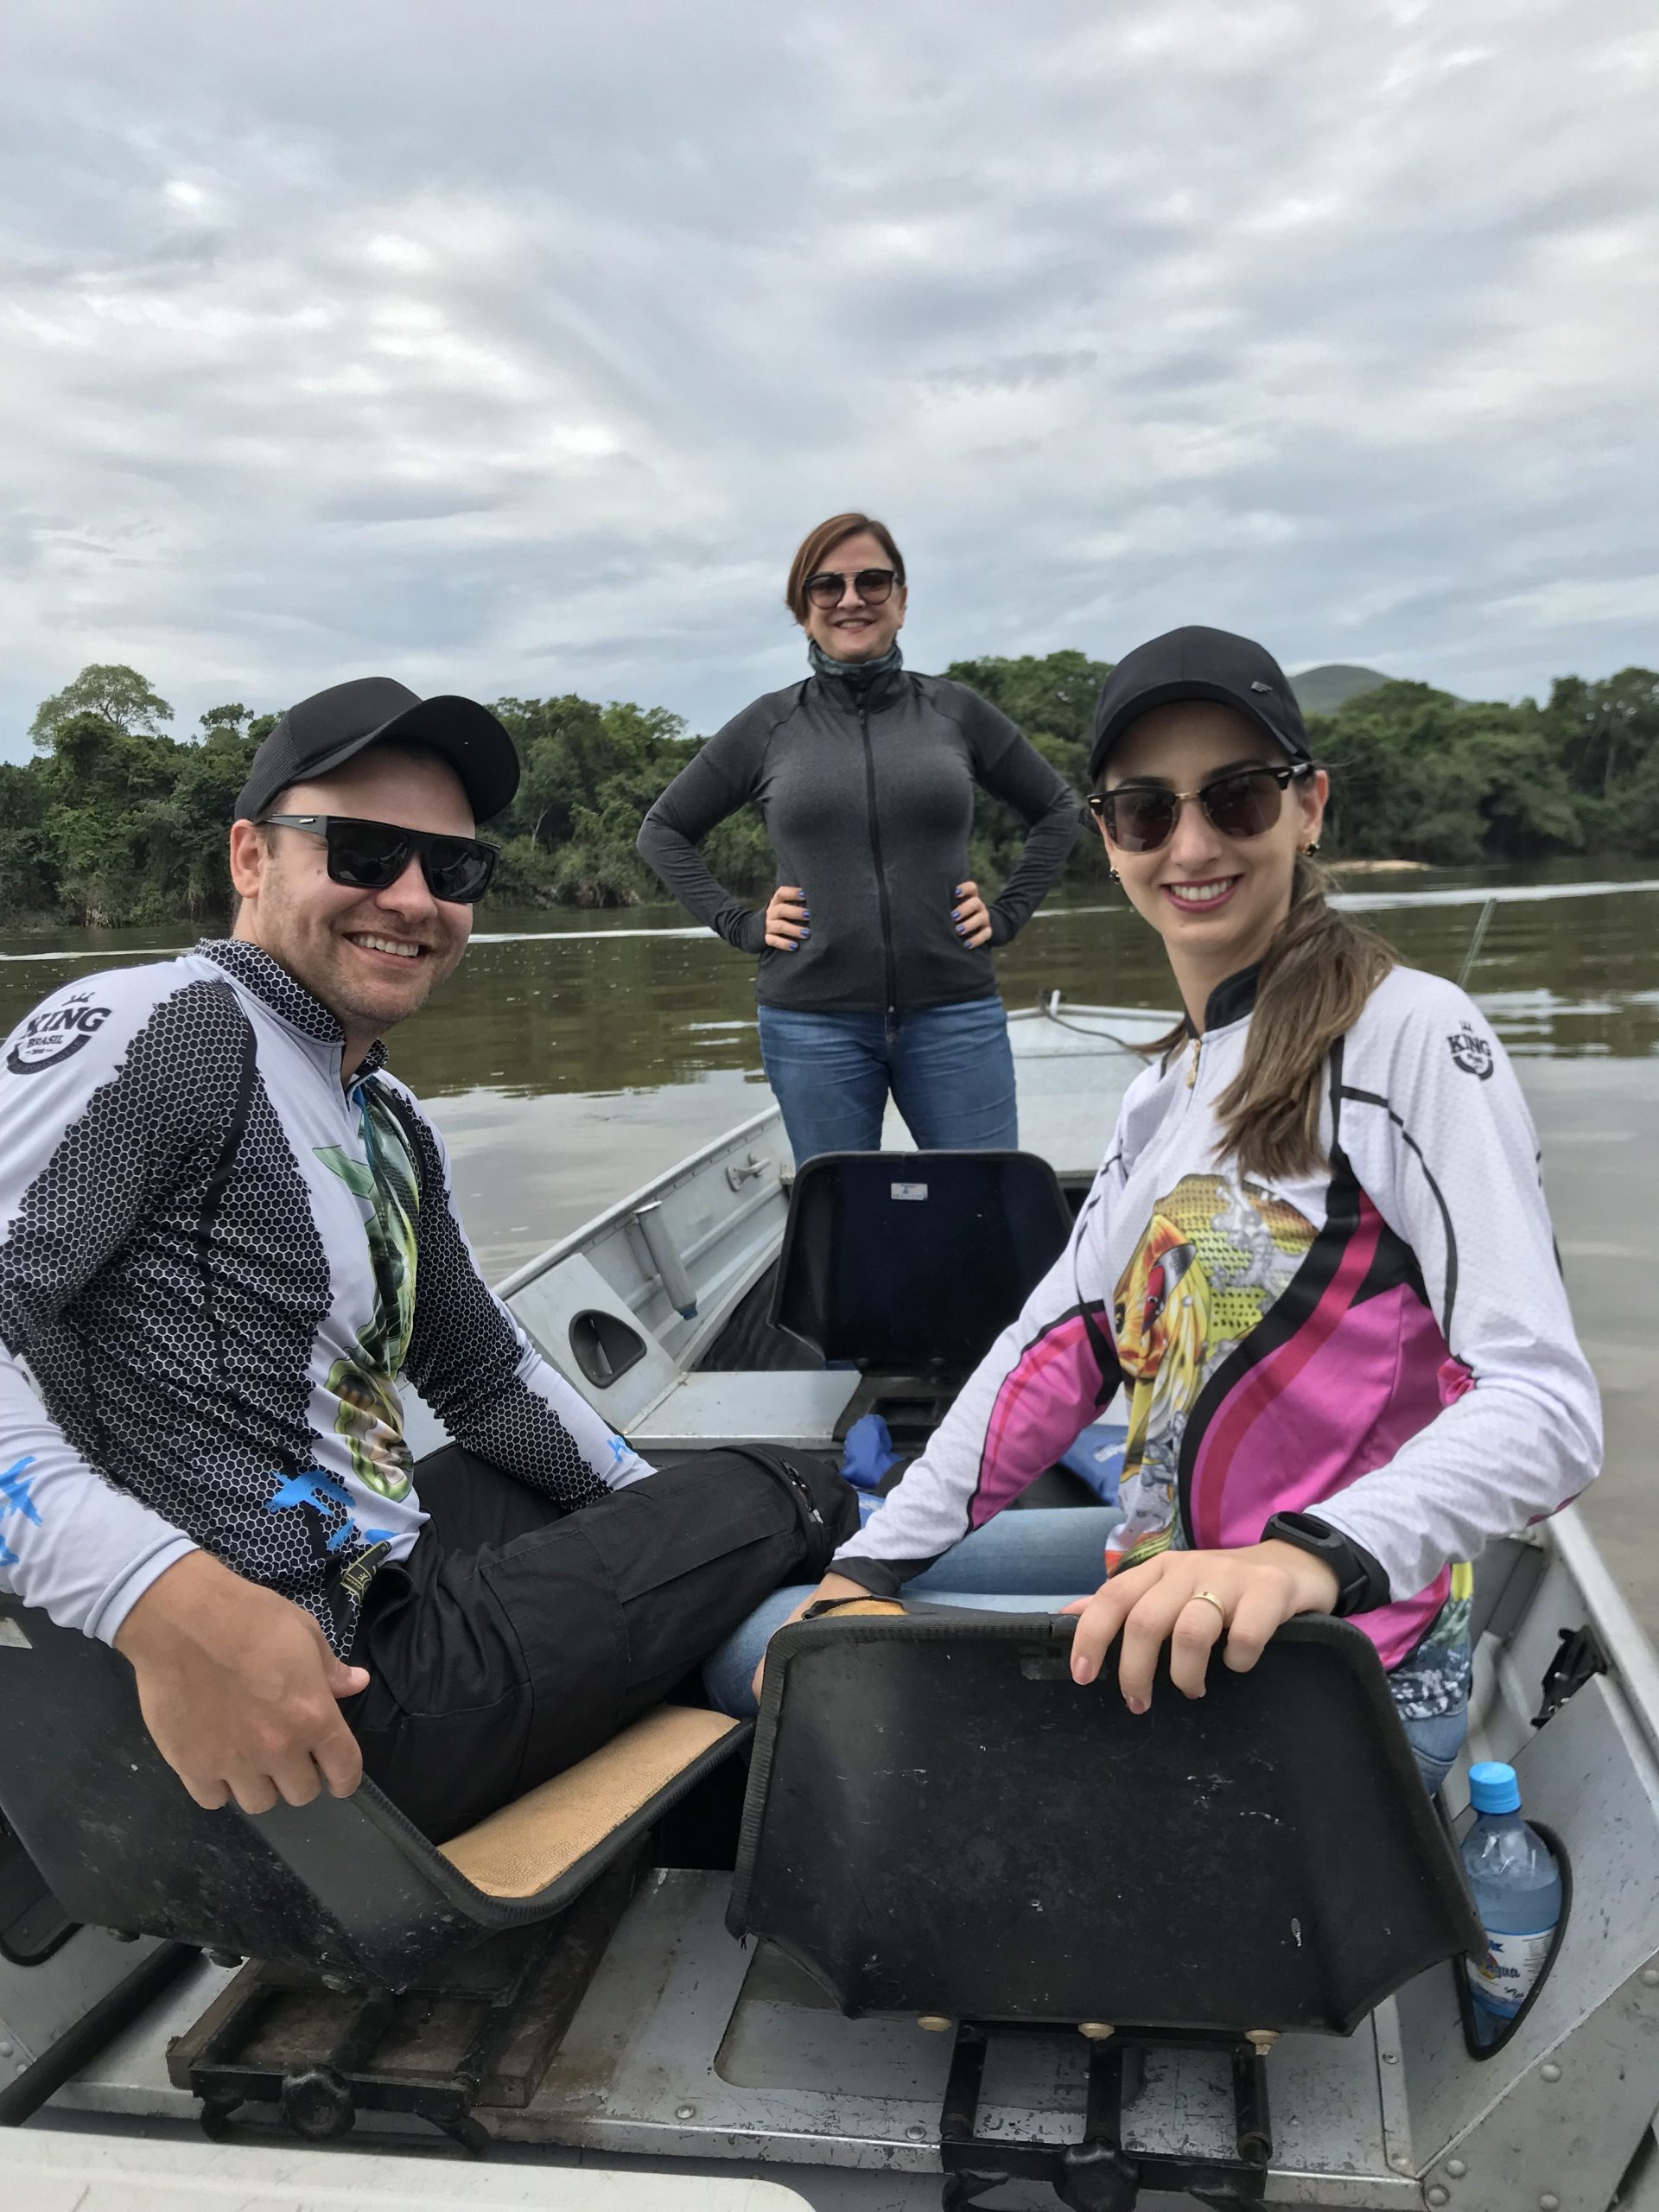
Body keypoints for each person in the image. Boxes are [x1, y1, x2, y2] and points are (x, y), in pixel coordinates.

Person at [708, 625, 1602, 1793]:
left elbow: (1546, 1407)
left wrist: (1301, 1561)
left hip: (1333, 1662)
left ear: (1308, 806)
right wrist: (870, 1568)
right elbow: (1051, 1351)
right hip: (1164, 1574)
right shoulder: (1164, 1091)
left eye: (1236, 798)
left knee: (754, 1656)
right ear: (1109, 837)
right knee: (785, 1620)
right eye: (1145, 811)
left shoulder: (1408, 1036)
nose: (1191, 844)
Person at [0, 677, 855, 1840]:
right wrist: (154, 1595)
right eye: (361, 852)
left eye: (451, 869)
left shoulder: (385, 1114)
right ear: (250, 856)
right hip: (333, 1703)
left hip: (357, 1571)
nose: (411, 899)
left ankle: (717, 1626)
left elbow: (486, 1379)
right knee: (786, 1482)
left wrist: (661, 1526)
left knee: (589, 1491)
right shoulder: (170, 1030)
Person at [636, 512, 1080, 1161]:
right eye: (827, 586)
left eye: (872, 581)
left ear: (901, 600)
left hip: (954, 1014)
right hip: (811, 1023)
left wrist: (1008, 914)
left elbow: (1060, 809)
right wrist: (742, 924)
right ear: (803, 611)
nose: (851, 599)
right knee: (844, 1211)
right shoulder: (770, 724)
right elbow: (662, 831)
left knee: (984, 1204)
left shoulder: (954, 711)